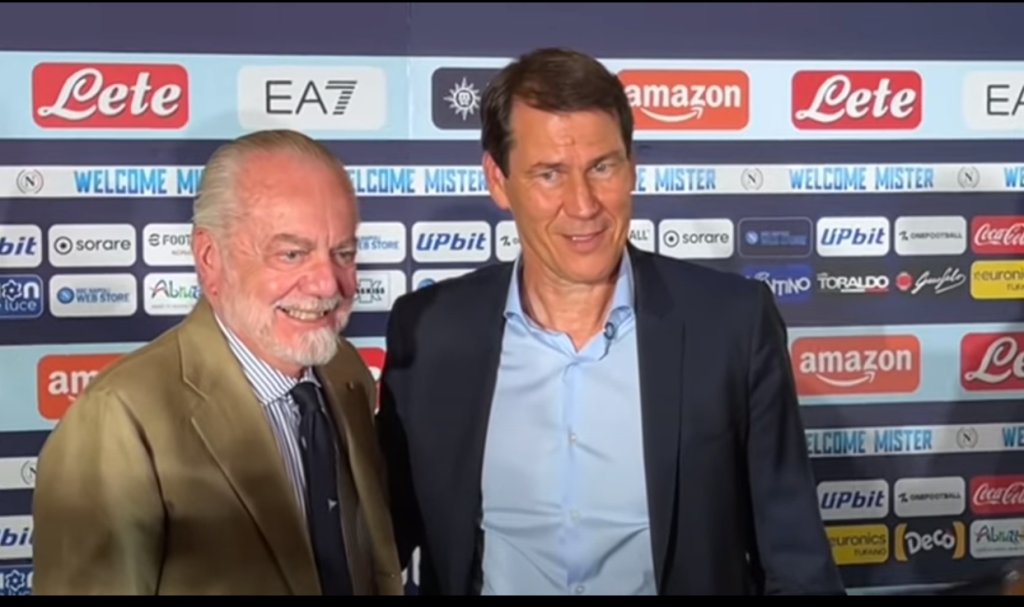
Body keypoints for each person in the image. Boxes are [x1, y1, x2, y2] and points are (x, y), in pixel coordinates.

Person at [375, 48, 845, 595]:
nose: (583, 205)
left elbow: (797, 561)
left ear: (631, 167)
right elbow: (377, 542)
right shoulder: (429, 331)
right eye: (550, 174)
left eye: (602, 167)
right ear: (498, 181)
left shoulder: (732, 324)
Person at [32, 129, 403, 595]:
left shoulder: (345, 371)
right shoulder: (118, 417)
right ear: (210, 258)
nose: (327, 284)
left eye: (343, 253)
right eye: (292, 254)